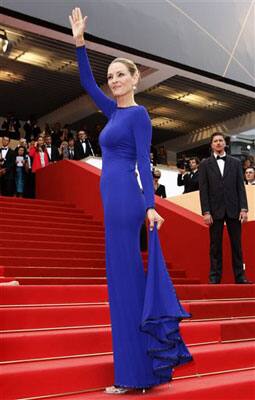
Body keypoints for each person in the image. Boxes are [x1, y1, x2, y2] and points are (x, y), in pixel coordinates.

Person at [70, 7, 192, 395]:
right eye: (111, 77)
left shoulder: (139, 116)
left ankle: (133, 374)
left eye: (120, 74)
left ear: (135, 78)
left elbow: (143, 162)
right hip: (110, 201)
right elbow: (88, 84)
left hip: (125, 199)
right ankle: (139, 369)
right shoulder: (111, 112)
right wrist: (79, 44)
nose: (113, 80)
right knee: (121, 282)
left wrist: (150, 205)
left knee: (123, 282)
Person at [199, 132, 251, 284]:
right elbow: (204, 190)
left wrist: (244, 208)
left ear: (225, 143)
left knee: (237, 244)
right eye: (215, 141)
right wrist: (206, 212)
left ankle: (240, 277)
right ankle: (214, 277)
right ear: (211, 144)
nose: (218, 143)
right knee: (215, 245)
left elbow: (240, 187)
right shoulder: (204, 164)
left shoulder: (235, 162)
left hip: (234, 209)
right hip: (214, 211)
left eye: (221, 140)